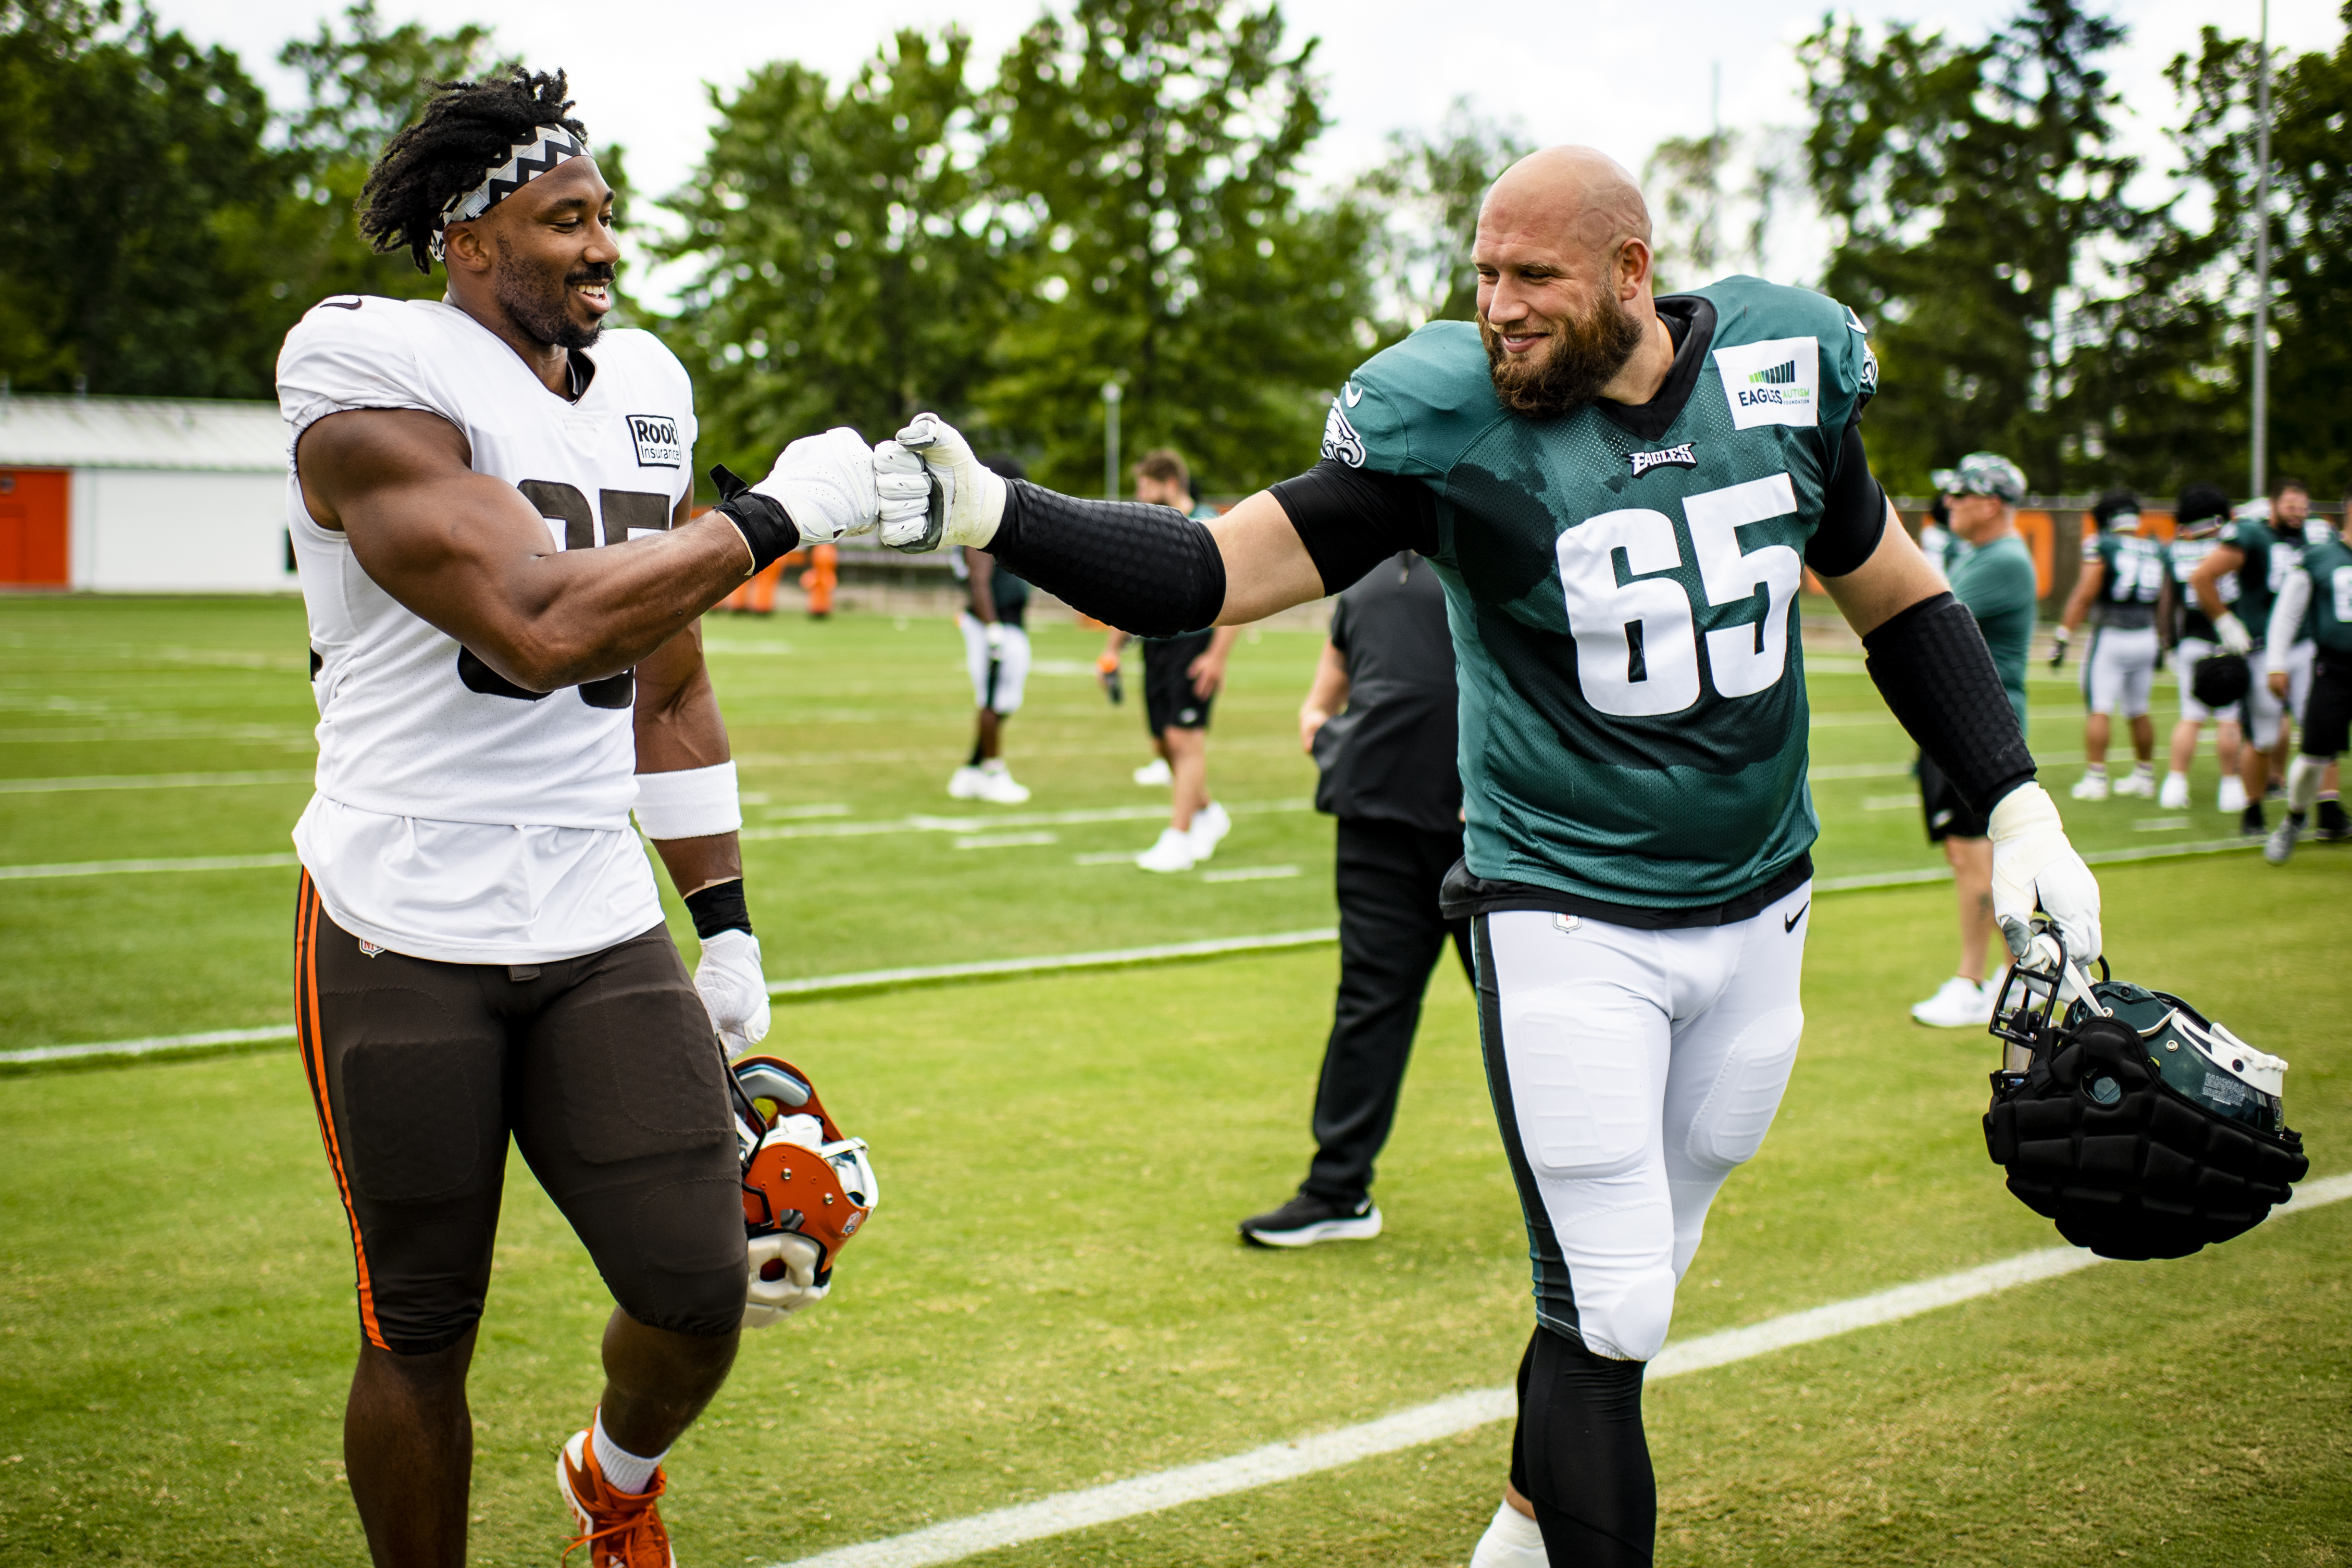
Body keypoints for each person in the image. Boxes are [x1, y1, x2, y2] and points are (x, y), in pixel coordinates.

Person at [867, 144, 2102, 1568]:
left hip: (1764, 901)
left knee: (1630, 1282)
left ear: (1630, 276)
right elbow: (1208, 570)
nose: (1498, 306)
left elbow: (1893, 593)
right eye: (1482, 272)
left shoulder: (1786, 361)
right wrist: (997, 511)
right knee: (1620, 1300)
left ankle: (1516, 1539)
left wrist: (2016, 801)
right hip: (1562, 906)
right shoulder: (1445, 418)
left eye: (1534, 276)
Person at [276, 71, 874, 1568]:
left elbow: (663, 681)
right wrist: (775, 515)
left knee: (695, 1281)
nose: (603, 248)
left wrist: (724, 928)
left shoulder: (646, 389)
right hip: (400, 907)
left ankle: (611, 1481)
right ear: (468, 239)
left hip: (594, 906)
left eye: (610, 216)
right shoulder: (365, 369)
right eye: (566, 221)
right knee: (420, 1320)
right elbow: (540, 625)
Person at [1239, 550, 1473, 1248]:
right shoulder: (1368, 567)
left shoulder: (1494, 539)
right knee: (1367, 1006)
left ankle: (1591, 1193)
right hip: (1374, 819)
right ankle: (1336, 1190)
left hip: (1486, 832)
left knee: (1528, 1017)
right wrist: (1315, 710)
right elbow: (1340, 654)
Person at [1908, 453, 2041, 1029]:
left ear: (1992, 504)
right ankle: (2010, 980)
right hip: (1963, 724)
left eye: (1963, 495)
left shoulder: (2003, 559)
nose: (1951, 504)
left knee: (1978, 858)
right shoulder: (1982, 553)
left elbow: (1920, 613)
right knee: (1971, 856)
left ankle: (1986, 981)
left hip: (1980, 728)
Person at [1098, 449, 1241, 871]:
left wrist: (1217, 658)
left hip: (1194, 645)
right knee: (1162, 742)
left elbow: (1238, 596)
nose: (1140, 494)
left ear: (1170, 483)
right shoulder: (1150, 527)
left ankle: (1178, 836)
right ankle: (1208, 813)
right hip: (1155, 645)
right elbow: (1133, 593)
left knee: (1184, 740)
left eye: (1146, 485)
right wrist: (1110, 650)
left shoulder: (1211, 525)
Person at [2192, 480, 2317, 836]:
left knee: (2318, 731)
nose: (2297, 512)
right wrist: (2224, 620)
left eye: (2302, 506)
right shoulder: (2252, 535)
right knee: (2261, 735)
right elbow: (2201, 577)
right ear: (2273, 505)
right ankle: (2253, 807)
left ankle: (2321, 804)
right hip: (2262, 648)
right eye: (2290, 505)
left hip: (2304, 646)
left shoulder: (2315, 538)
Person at [2050, 489, 2169, 801]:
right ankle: (2145, 775)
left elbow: (2086, 592)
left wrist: (2065, 633)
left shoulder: (2103, 544)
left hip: (2112, 635)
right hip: (2146, 635)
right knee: (2139, 708)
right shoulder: (2154, 547)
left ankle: (2096, 778)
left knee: (2100, 707)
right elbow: (2164, 600)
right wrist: (2163, 638)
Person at [2262, 490, 2352, 861]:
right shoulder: (2320, 557)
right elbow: (2286, 614)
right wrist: (2275, 662)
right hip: (2334, 669)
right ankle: (2294, 818)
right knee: (2314, 755)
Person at [947, 456, 1036, 804]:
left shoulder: (994, 520)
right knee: (993, 697)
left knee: (1004, 699)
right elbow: (978, 579)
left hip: (1005, 620)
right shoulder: (982, 522)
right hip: (993, 622)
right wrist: (992, 627)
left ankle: (972, 768)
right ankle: (992, 771)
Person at [2159, 484, 2248, 812]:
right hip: (2228, 638)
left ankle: (2175, 784)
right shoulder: (2231, 546)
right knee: (2229, 718)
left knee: (2191, 716)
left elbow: (2167, 603)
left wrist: (2167, 644)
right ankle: (2231, 786)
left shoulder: (2174, 551)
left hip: (2191, 641)